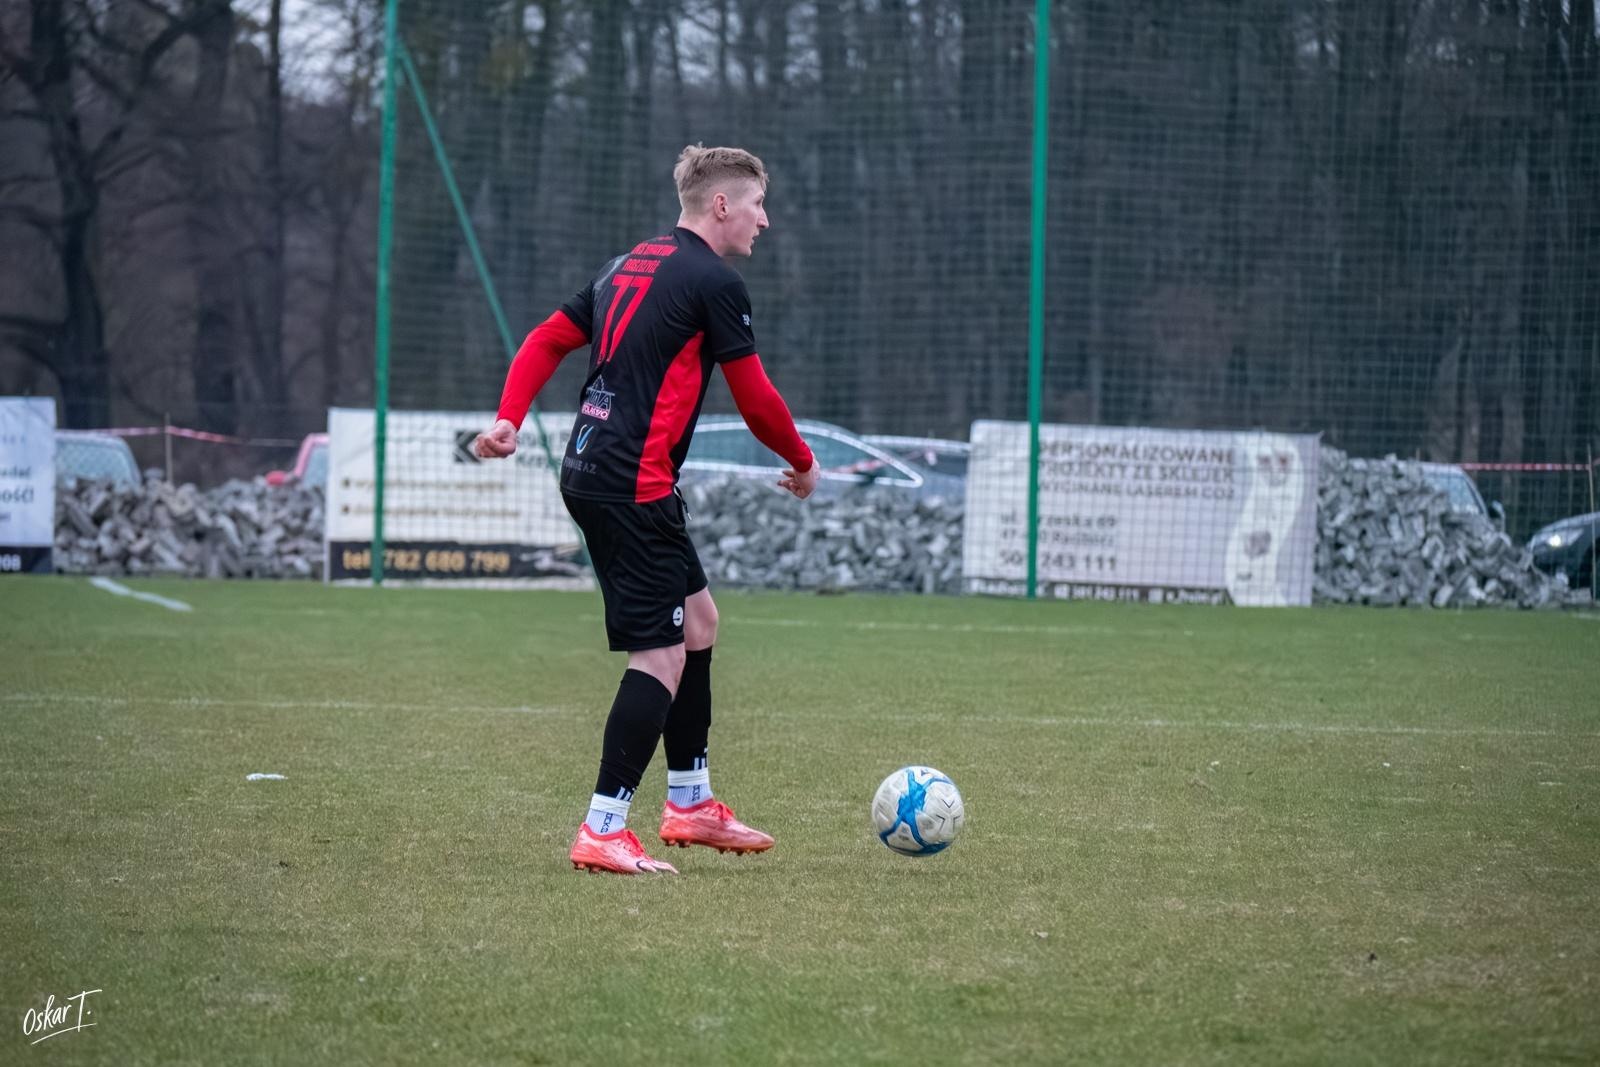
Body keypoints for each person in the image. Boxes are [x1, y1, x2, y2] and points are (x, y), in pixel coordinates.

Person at [474, 145, 819, 876]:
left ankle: (690, 803)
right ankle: (603, 826)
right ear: (721, 205)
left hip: (597, 469)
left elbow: (545, 339)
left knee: (698, 623)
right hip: (632, 483)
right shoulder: (714, 281)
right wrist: (802, 459)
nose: (767, 218)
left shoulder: (624, 264)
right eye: (758, 202)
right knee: (660, 654)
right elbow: (756, 400)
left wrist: (510, 416)